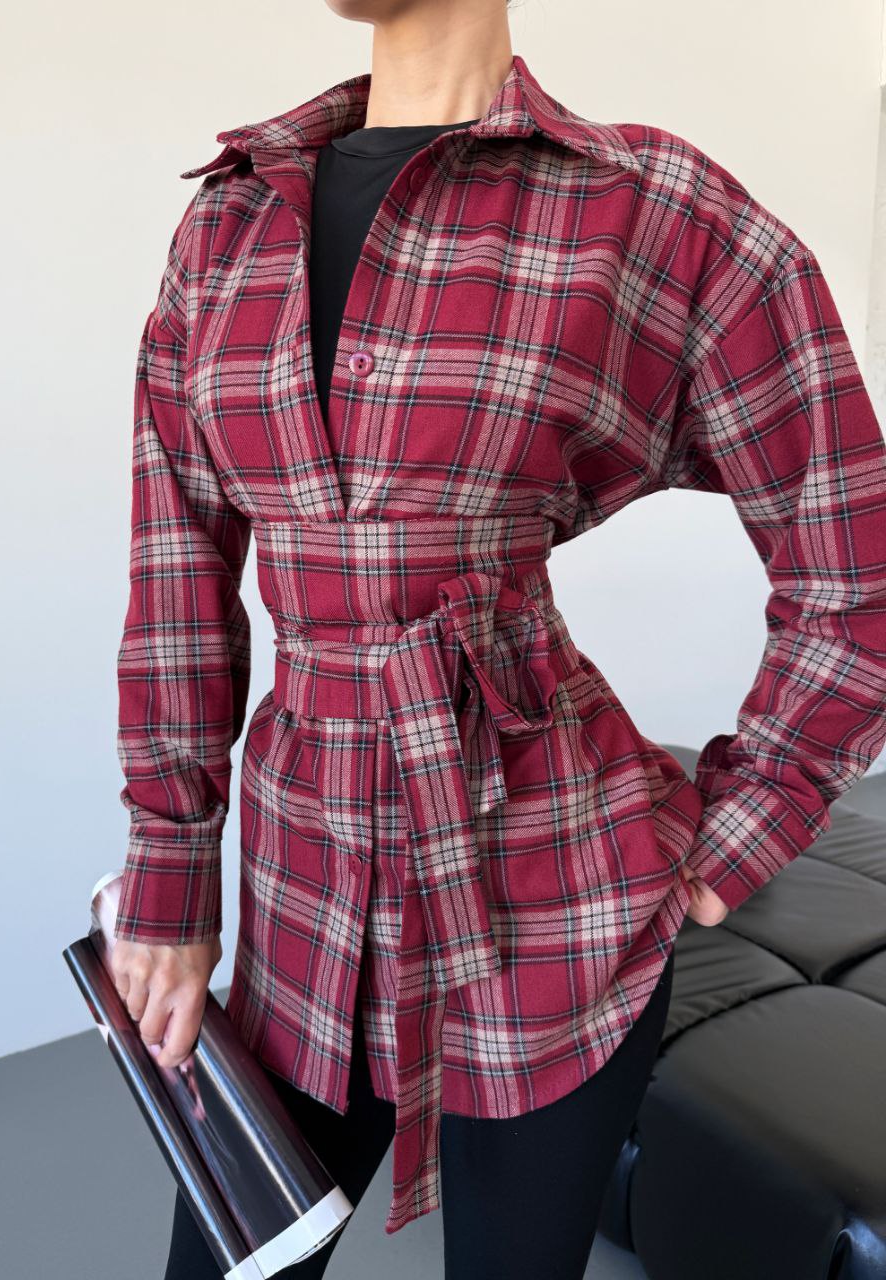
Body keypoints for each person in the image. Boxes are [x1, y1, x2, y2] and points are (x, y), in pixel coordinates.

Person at [108, 2, 886, 1277]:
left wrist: (748, 820)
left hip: (559, 903)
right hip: (301, 899)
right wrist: (170, 868)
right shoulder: (226, 224)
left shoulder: (649, 208)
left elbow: (855, 553)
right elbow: (174, 576)